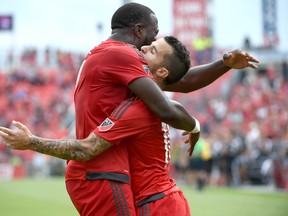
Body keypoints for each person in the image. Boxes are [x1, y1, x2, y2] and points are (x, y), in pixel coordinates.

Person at [0, 2, 259, 215]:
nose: (150, 41)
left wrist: (223, 66)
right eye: (153, 34)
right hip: (102, 172)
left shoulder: (120, 67)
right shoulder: (123, 56)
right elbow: (170, 100)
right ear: (138, 30)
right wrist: (193, 125)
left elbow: (177, 81)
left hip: (113, 177)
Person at [1, 36, 197, 216]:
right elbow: (181, 104)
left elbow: (87, 149)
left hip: (155, 205)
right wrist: (195, 127)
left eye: (153, 50)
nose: (144, 47)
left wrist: (31, 142)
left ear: (162, 71)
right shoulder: (162, 104)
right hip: (168, 200)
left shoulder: (138, 109)